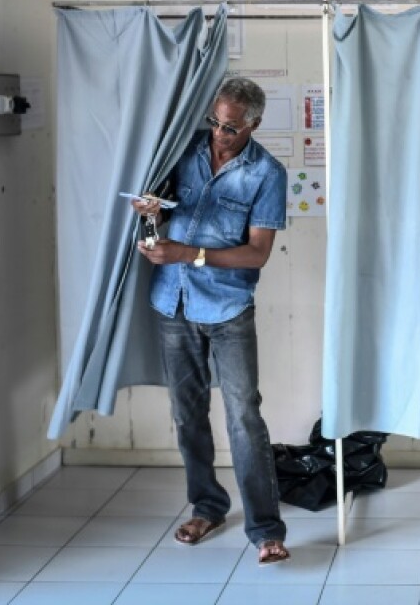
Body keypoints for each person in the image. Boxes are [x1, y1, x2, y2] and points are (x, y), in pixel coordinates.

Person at [132, 77, 290, 565]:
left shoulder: (267, 172)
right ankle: (208, 506)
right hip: (172, 303)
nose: (219, 133)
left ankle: (265, 529)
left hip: (227, 307)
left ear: (253, 125)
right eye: (215, 123)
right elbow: (155, 226)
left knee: (244, 416)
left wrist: (189, 253)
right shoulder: (182, 152)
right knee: (187, 414)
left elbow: (257, 254)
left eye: (231, 127)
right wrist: (149, 219)